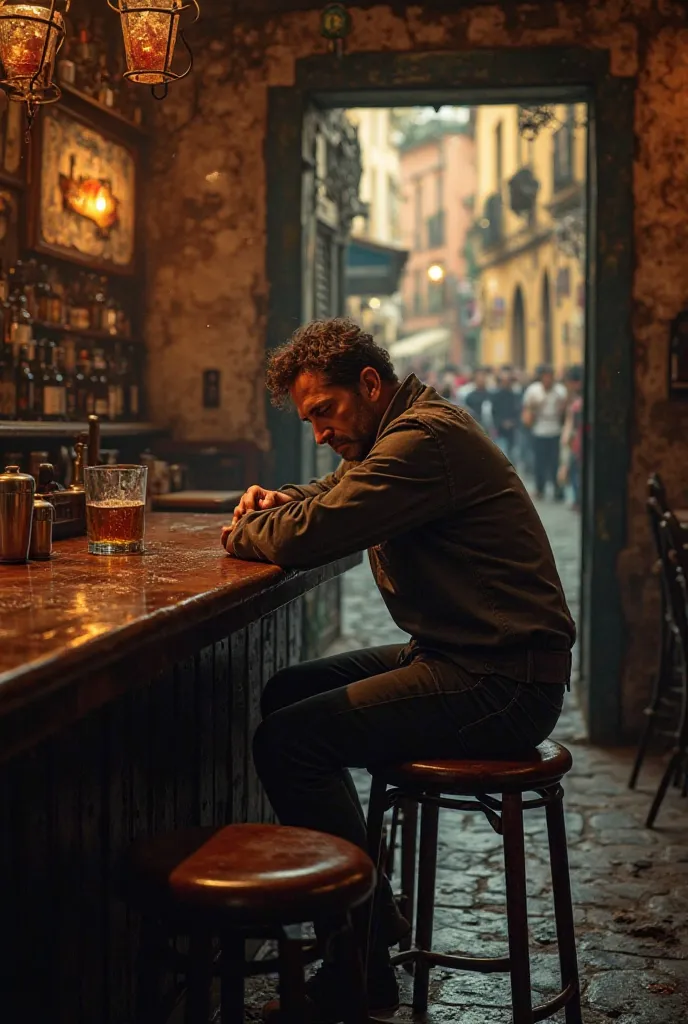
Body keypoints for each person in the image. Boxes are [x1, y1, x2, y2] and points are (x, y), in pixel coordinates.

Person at [221, 318, 575, 1023]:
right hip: (464, 658)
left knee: (289, 740)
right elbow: (336, 496)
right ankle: (371, 927)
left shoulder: (425, 440)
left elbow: (320, 533)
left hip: (504, 683)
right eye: (309, 418)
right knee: (289, 693)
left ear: (371, 385)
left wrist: (245, 530)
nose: (320, 429)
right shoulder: (402, 432)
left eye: (325, 410)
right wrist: (285, 500)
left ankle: (359, 966)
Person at [522, 364, 568, 500]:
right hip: (539, 430)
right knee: (539, 462)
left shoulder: (560, 391)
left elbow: (565, 412)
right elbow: (527, 411)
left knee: (555, 461)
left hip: (555, 430)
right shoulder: (533, 391)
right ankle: (540, 488)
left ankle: (557, 488)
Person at [558, 365, 584, 511]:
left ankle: (578, 500)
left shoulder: (577, 401)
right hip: (576, 441)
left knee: (576, 472)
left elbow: (572, 424)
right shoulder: (573, 398)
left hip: (577, 442)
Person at [490, 364, 522, 461]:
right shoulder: (495, 395)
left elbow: (519, 411)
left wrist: (514, 422)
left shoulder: (515, 395)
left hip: (514, 430)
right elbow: (493, 413)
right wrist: (501, 423)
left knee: (514, 457)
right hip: (500, 431)